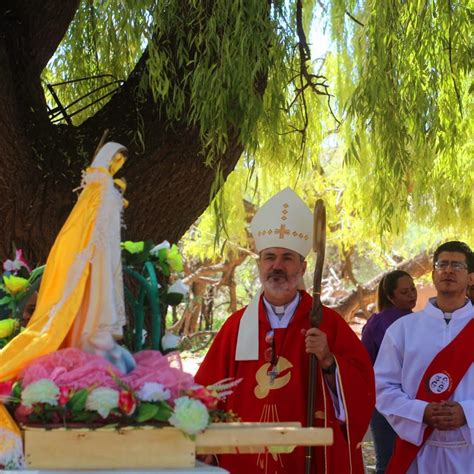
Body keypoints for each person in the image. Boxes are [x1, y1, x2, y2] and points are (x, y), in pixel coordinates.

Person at [195, 188, 375, 474]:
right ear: (259, 265)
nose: (277, 266)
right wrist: (201, 439)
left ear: (303, 266)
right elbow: (205, 390)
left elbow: (363, 390)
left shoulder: (327, 324)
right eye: (270, 257)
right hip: (245, 458)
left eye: (287, 258)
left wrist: (329, 361)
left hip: (310, 457)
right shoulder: (236, 326)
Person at [375, 241, 474, 473]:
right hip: (419, 453)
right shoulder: (403, 330)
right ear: (433, 274)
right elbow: (382, 387)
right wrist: (419, 412)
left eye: (457, 265)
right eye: (442, 264)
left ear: (471, 277)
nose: (448, 270)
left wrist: (467, 413)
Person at [362, 270, 417, 473]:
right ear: (391, 296)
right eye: (405, 292)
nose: (412, 295)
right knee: (388, 461)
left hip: (414, 401)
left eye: (413, 289)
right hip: (385, 403)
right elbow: (365, 364)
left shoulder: (421, 321)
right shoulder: (377, 323)